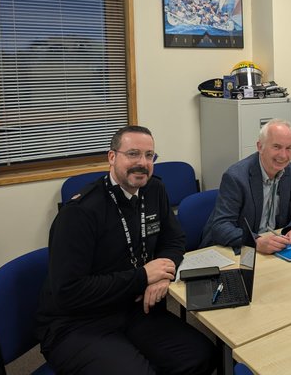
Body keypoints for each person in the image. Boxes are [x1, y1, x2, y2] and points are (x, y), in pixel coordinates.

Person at [35, 125, 216, 374]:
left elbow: (174, 240)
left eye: (149, 155)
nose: (142, 163)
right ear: (112, 157)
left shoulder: (155, 189)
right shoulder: (80, 213)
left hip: (133, 307)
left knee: (200, 355)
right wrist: (143, 277)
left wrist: (163, 273)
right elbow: (69, 292)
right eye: (133, 154)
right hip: (78, 322)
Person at [200, 119, 291, 254]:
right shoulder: (236, 177)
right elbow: (220, 227)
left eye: (289, 148)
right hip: (234, 251)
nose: (284, 155)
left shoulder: (290, 172)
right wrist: (256, 241)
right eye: (276, 147)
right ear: (260, 147)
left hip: (273, 249)